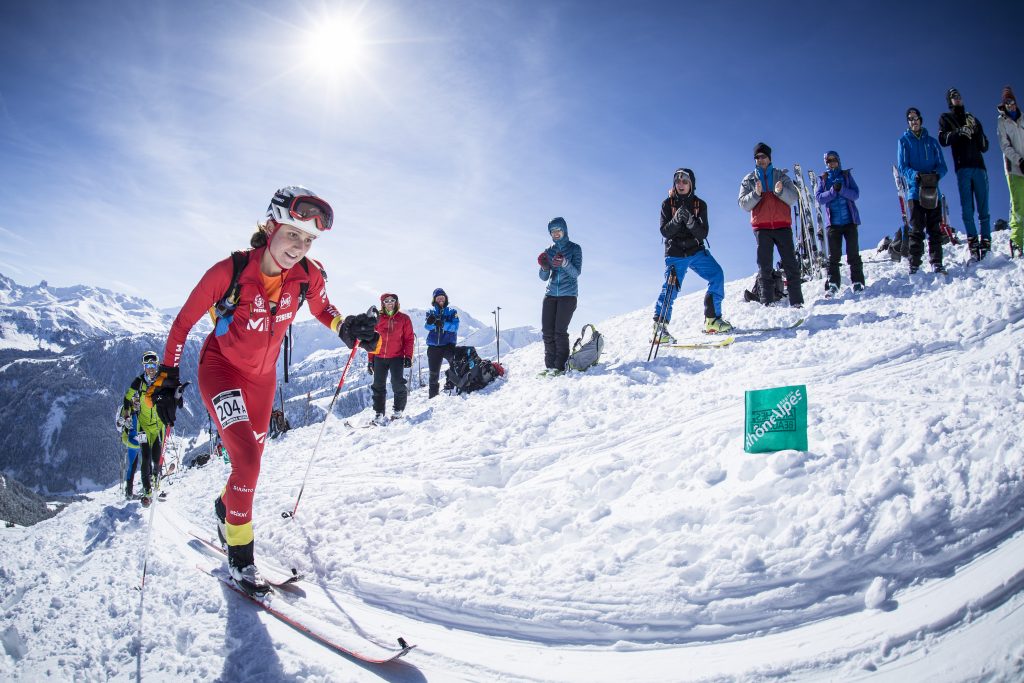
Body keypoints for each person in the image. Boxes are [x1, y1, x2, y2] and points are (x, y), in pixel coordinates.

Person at [148, 186, 381, 595]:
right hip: (221, 371)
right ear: (271, 226)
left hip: (262, 381)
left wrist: (345, 327)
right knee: (248, 461)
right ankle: (241, 559)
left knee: (249, 464)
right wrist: (166, 377)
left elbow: (323, 308)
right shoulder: (229, 272)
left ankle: (226, 508)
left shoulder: (307, 274)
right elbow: (182, 324)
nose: (299, 246)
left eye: (308, 240)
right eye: (293, 234)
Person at [652, 168, 731, 343]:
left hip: (696, 251)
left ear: (691, 184)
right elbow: (665, 232)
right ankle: (659, 329)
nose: (681, 184)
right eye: (678, 181)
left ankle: (712, 320)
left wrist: (689, 220)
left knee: (717, 274)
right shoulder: (667, 204)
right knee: (671, 287)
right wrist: (676, 219)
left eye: (685, 181)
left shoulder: (699, 205)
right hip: (676, 254)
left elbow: (703, 233)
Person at [737, 143, 803, 307]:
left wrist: (780, 191)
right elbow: (743, 204)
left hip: (782, 225)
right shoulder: (749, 179)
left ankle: (797, 302)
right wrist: (756, 194)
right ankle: (767, 302)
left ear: (769, 158)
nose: (761, 160)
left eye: (763, 156)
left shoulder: (781, 176)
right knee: (764, 266)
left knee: (790, 264)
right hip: (762, 227)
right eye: (757, 157)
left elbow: (794, 198)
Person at [938, 88, 991, 260]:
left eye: (959, 95)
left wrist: (976, 130)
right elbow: (943, 140)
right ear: (949, 100)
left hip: (979, 167)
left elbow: (984, 146)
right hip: (963, 168)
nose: (958, 98)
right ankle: (973, 240)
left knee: (984, 208)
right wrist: (959, 131)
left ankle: (986, 240)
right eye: (954, 97)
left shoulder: (972, 118)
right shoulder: (946, 118)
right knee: (967, 208)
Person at [897, 108, 949, 274]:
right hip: (915, 191)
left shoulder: (932, 142)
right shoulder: (904, 141)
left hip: (932, 190)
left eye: (916, 118)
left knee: (934, 228)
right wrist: (915, 175)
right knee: (916, 228)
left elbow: (943, 166)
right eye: (910, 119)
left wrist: (935, 175)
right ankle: (914, 263)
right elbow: (903, 166)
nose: (914, 121)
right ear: (908, 122)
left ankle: (936, 262)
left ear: (921, 119)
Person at [117, 351, 166, 506]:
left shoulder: (162, 380)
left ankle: (155, 482)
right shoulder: (138, 382)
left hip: (158, 426)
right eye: (147, 365)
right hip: (143, 426)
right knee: (145, 457)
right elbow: (127, 397)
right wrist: (126, 414)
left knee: (156, 457)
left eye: (153, 365)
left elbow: (171, 396)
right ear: (144, 367)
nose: (150, 368)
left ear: (157, 365)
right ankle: (146, 490)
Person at [814, 151, 865, 295]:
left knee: (853, 253)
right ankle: (833, 284)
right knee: (834, 256)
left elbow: (855, 194)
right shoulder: (823, 179)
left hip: (850, 222)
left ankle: (857, 281)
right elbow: (819, 198)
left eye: (833, 160)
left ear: (838, 161)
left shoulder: (846, 176)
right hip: (833, 224)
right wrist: (832, 191)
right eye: (828, 161)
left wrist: (841, 189)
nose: (831, 163)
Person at [537, 217, 583, 375]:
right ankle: (550, 366)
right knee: (547, 332)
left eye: (558, 230)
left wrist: (564, 262)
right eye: (552, 231)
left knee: (559, 332)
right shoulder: (549, 250)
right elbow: (544, 277)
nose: (555, 234)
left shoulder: (575, 248)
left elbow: (576, 272)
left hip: (568, 295)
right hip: (550, 295)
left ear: (564, 230)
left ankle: (560, 366)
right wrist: (544, 267)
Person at [367, 292, 414, 425]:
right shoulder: (377, 319)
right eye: (386, 301)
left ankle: (398, 410)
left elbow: (409, 339)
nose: (389, 303)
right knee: (378, 385)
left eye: (392, 300)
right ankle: (379, 413)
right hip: (379, 357)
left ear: (396, 302)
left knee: (398, 383)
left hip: (396, 357)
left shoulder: (404, 318)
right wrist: (370, 359)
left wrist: (408, 356)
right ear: (382, 304)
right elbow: (371, 340)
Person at [996, 86, 1024, 258]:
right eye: (1007, 102)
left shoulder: (1022, 119)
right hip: (1014, 169)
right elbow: (1004, 146)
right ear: (1003, 104)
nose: (1010, 104)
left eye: (1012, 101)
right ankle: (1016, 240)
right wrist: (1020, 161)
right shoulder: (1002, 121)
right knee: (1019, 205)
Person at [424, 288, 459, 398]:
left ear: (446, 299)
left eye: (442, 297)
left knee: (455, 363)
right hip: (433, 347)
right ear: (435, 300)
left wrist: (442, 324)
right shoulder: (431, 312)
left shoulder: (452, 312)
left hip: (448, 345)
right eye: (438, 298)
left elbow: (455, 327)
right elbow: (427, 326)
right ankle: (433, 397)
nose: (440, 299)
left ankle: (451, 386)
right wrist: (432, 322)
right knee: (433, 374)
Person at [116, 400, 142, 499]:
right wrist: (121, 422)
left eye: (138, 400)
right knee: (134, 465)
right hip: (131, 440)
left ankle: (130, 491)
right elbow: (118, 425)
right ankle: (130, 492)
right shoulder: (125, 409)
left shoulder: (141, 408)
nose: (137, 403)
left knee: (136, 465)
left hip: (137, 439)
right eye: (135, 400)